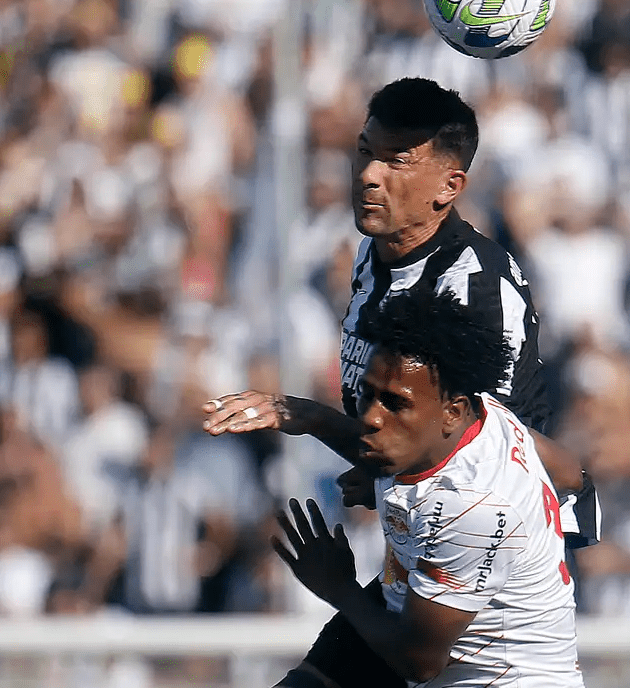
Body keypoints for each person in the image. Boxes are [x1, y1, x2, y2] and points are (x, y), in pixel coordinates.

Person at [202, 77, 599, 688]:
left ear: (449, 186)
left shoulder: (475, 290)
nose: (369, 175)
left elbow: (477, 459)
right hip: (420, 540)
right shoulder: (373, 252)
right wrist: (348, 446)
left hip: (483, 576)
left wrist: (325, 432)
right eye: (366, 151)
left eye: (397, 161)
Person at [272, 288, 584, 687]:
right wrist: (315, 419)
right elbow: (570, 472)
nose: (371, 418)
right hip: (404, 616)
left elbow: (419, 661)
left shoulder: (472, 507)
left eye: (394, 403)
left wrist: (338, 587)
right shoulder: (484, 414)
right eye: (368, 394)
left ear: (452, 412)